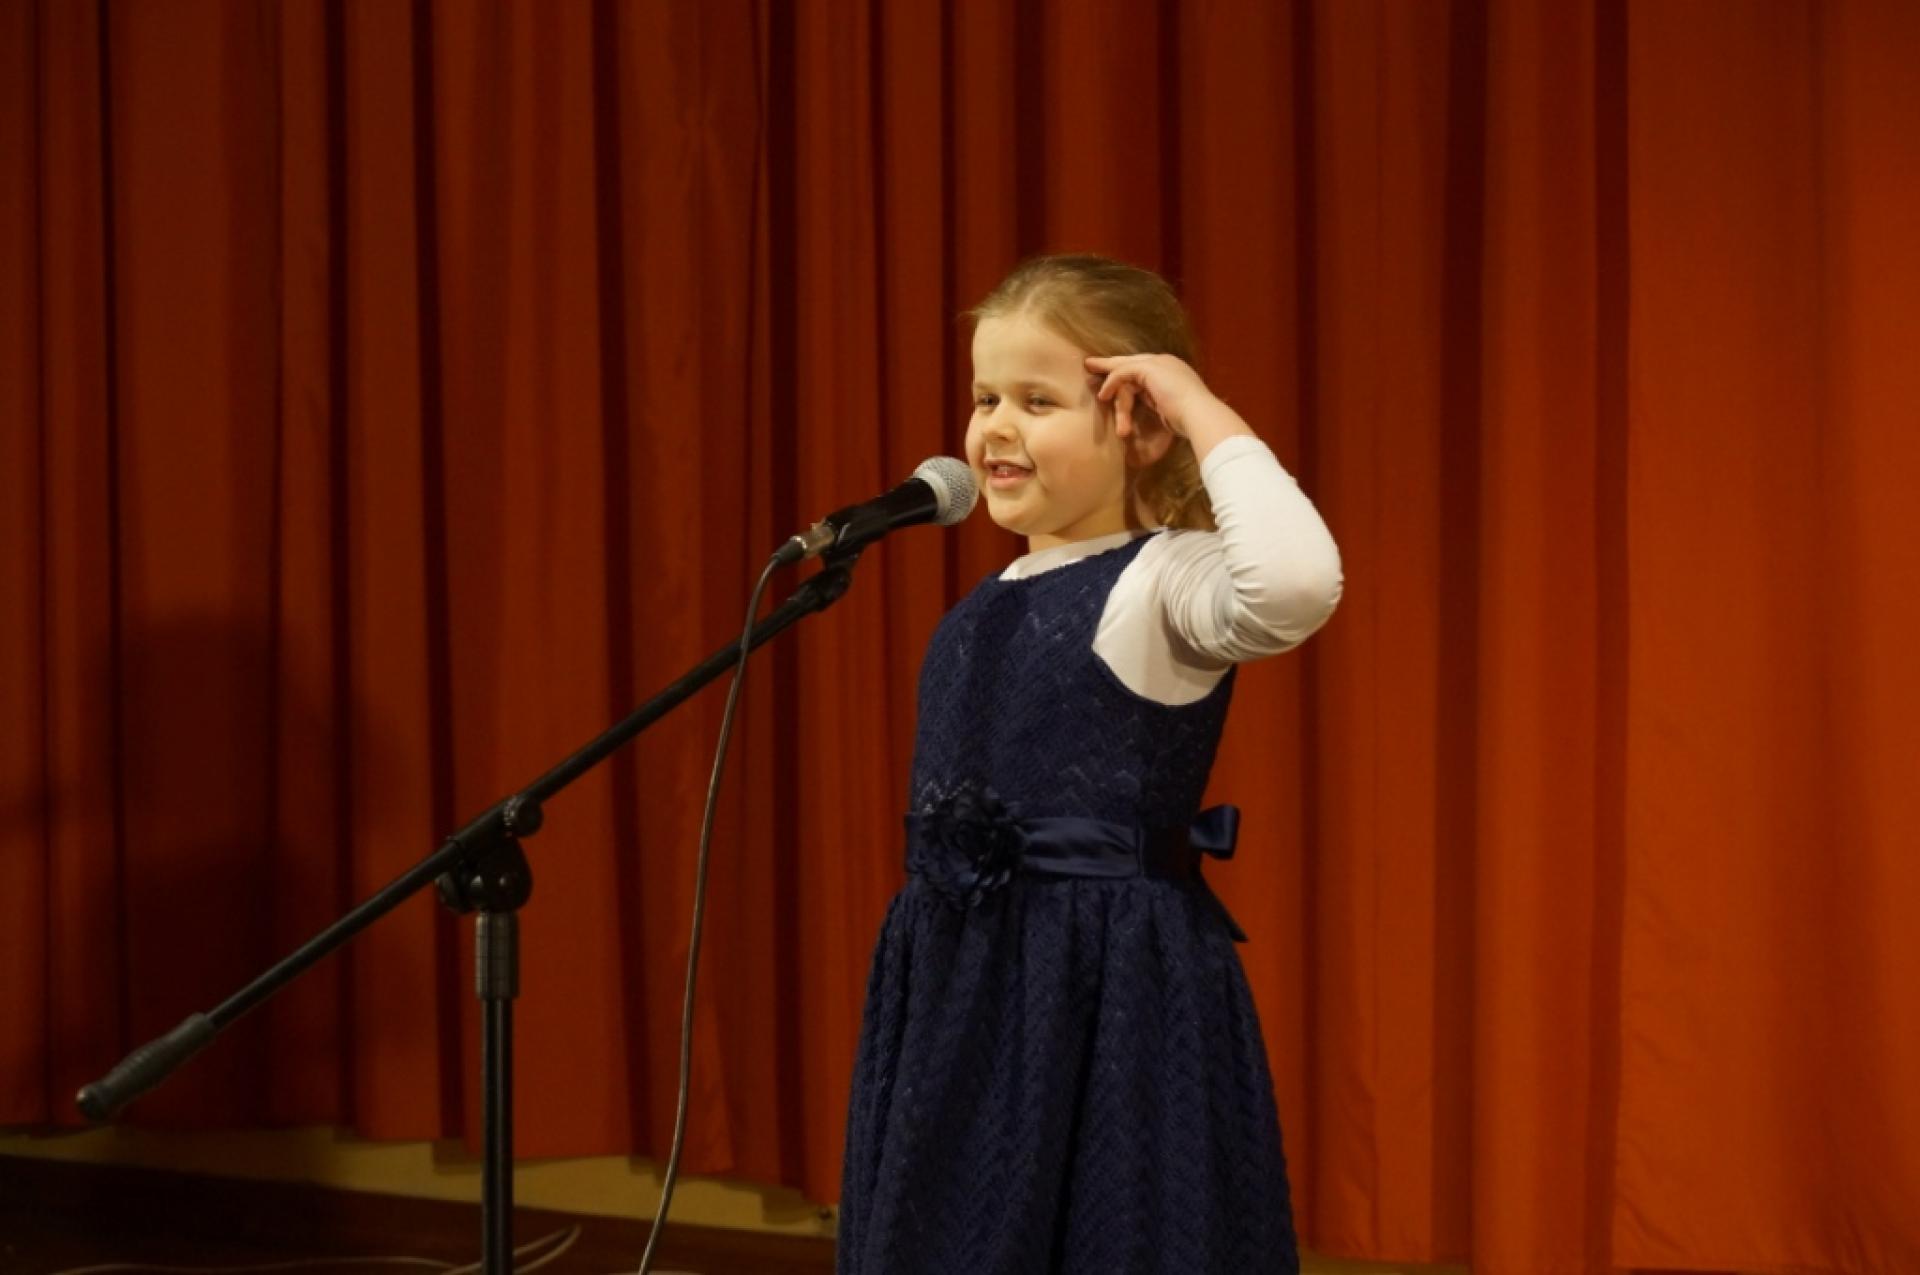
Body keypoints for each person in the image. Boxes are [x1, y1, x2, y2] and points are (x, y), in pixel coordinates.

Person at [836, 253, 1342, 1274]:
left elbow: (1294, 583)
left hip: (1107, 1000)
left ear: (1136, 424)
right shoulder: (983, 607)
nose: (995, 427)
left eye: (1038, 400)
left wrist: (1198, 408)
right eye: (985, 397)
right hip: (965, 993)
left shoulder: (1165, 580)